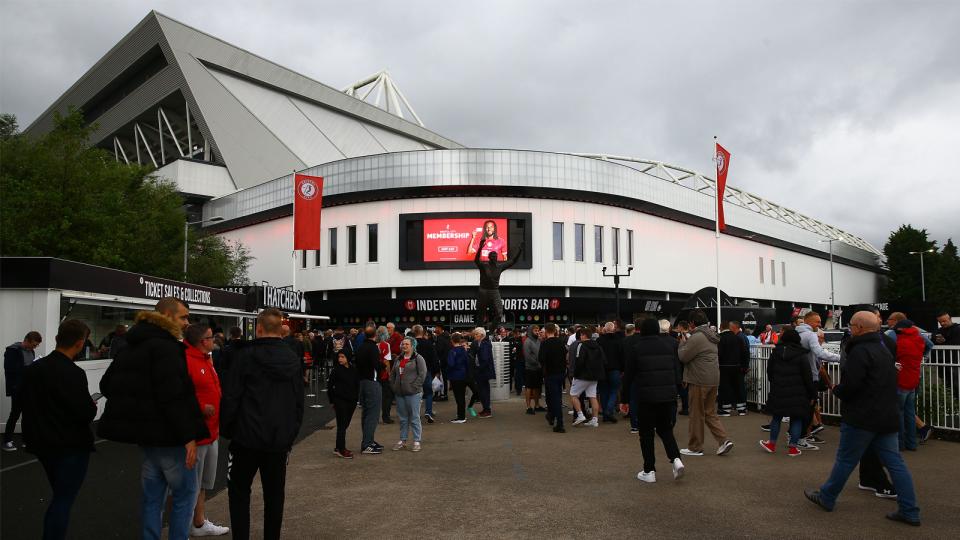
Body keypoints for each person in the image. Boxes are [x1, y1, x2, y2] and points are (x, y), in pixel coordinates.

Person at [98, 298, 208, 540]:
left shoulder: (131, 346)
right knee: (184, 494)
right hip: (170, 437)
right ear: (167, 315)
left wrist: (140, 404)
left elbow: (107, 384)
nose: (187, 322)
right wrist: (188, 436)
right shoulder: (167, 348)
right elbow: (173, 396)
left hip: (147, 438)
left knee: (152, 497)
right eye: (183, 317)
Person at [804, 311, 921, 526]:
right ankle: (910, 510)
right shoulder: (884, 348)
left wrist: (837, 390)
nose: (849, 328)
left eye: (851, 325)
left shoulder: (859, 351)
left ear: (858, 327)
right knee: (896, 463)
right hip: (887, 415)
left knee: (846, 459)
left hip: (862, 416)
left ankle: (827, 497)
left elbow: (852, 385)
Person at [220, 308, 304, 540]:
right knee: (274, 496)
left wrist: (228, 430)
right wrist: (289, 435)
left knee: (238, 493)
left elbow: (231, 397)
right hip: (277, 440)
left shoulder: (244, 356)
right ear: (280, 330)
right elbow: (298, 403)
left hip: (246, 438)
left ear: (258, 328)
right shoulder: (292, 358)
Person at [19, 320, 95, 540]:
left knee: (60, 493)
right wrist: (91, 405)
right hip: (69, 446)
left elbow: (25, 403)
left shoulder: (34, 369)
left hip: (40, 442)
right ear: (80, 343)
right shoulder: (74, 373)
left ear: (56, 338)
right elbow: (85, 412)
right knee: (63, 499)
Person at [620, 319, 684, 483]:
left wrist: (624, 399)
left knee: (646, 434)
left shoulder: (637, 348)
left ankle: (649, 470)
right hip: (667, 395)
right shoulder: (669, 346)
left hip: (646, 397)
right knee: (665, 429)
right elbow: (676, 370)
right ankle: (676, 459)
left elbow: (628, 376)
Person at [180, 323, 229, 537]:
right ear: (202, 341)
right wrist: (201, 408)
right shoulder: (185, 360)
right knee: (188, 486)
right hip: (196, 435)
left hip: (211, 432)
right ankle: (181, 529)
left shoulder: (206, 358)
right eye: (211, 337)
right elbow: (178, 394)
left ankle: (198, 523)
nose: (214, 340)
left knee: (203, 484)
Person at [678, 310, 733, 457]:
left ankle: (695, 447)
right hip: (713, 379)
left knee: (696, 414)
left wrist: (682, 343)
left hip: (699, 379)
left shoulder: (697, 337)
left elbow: (683, 356)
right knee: (709, 412)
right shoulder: (711, 335)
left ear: (692, 323)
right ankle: (723, 440)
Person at [758, 328, 815, 457]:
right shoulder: (801, 354)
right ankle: (793, 448)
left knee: (777, 417)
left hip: (779, 389)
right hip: (798, 391)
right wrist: (812, 393)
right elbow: (807, 376)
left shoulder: (775, 352)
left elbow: (770, 371)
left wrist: (775, 382)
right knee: (796, 418)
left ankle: (771, 444)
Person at [886, 318, 926, 451]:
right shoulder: (919, 340)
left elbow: (894, 358)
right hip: (913, 380)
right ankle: (912, 443)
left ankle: (900, 444)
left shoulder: (901, 342)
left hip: (901, 380)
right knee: (910, 412)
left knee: (899, 413)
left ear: (901, 329)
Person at [3, 330, 42, 451]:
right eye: (34, 345)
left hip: (28, 387)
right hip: (17, 388)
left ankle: (26, 440)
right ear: (26, 340)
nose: (34, 347)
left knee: (28, 414)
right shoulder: (12, 350)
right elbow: (10, 369)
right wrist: (29, 368)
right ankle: (7, 441)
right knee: (15, 414)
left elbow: (29, 368)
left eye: (36, 346)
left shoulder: (31, 351)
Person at [474, 237, 524, 327]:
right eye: (492, 256)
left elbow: (513, 261)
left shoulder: (500, 267)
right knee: (481, 314)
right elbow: (476, 260)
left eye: (495, 256)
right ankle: (479, 331)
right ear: (489, 257)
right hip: (483, 290)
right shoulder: (484, 266)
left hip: (494, 291)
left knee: (499, 313)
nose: (494, 257)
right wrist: (480, 247)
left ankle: (491, 331)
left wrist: (519, 251)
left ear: (497, 257)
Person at [390, 337, 428, 451]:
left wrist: (414, 387)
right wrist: (394, 386)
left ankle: (417, 441)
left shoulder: (418, 358)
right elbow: (393, 373)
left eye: (407, 344)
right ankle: (403, 440)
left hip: (413, 393)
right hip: (399, 393)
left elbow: (422, 374)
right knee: (403, 418)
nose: (404, 346)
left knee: (414, 417)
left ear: (412, 346)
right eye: (403, 344)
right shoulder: (398, 358)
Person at [355, 324, 384, 455]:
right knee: (373, 415)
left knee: (366, 413)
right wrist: (383, 365)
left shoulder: (360, 347)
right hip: (372, 383)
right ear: (375, 335)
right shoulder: (373, 348)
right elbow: (376, 365)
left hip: (362, 382)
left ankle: (369, 441)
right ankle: (367, 443)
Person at [570, 326, 605, 427]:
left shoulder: (581, 345)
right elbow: (604, 360)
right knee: (592, 397)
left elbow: (579, 361)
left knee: (573, 395)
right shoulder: (598, 345)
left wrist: (575, 374)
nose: (580, 336)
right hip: (594, 376)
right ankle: (595, 419)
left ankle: (580, 415)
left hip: (582, 375)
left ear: (584, 335)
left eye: (581, 335)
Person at [328, 350, 359, 458]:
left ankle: (338, 447)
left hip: (351, 401)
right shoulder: (336, 370)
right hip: (340, 400)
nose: (340, 359)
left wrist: (356, 398)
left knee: (345, 424)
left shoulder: (353, 369)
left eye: (343, 357)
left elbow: (356, 384)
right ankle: (341, 449)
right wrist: (332, 401)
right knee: (341, 425)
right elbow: (330, 386)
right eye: (339, 357)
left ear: (348, 357)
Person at [539, 323, 568, 433]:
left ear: (546, 331)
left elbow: (541, 358)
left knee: (552, 397)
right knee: (557, 396)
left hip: (550, 373)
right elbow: (565, 355)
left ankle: (559, 422)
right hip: (560, 372)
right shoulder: (560, 342)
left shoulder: (544, 343)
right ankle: (552, 415)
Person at [717, 321, 750, 417]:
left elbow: (718, 354)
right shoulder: (738, 338)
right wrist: (745, 366)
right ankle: (742, 409)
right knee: (739, 387)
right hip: (738, 367)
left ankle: (726, 409)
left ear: (721, 327)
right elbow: (745, 353)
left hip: (724, 367)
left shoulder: (719, 338)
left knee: (725, 387)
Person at [412, 325, 440, 424]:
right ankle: (428, 411)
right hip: (426, 371)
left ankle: (414, 413)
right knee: (428, 392)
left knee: (414, 393)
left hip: (413, 372)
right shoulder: (428, 343)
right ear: (422, 332)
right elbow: (434, 358)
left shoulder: (411, 344)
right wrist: (436, 371)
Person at [597, 321, 624, 423]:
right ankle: (609, 410)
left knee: (603, 392)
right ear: (613, 329)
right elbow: (622, 356)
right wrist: (622, 369)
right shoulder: (619, 340)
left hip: (602, 370)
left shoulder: (599, 340)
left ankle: (606, 414)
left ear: (604, 329)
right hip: (615, 369)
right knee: (614, 390)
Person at [469, 327, 496, 417]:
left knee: (484, 390)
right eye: (475, 334)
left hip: (483, 371)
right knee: (483, 390)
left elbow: (484, 359)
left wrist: (478, 368)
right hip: (483, 370)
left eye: (476, 334)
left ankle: (487, 410)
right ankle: (485, 409)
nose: (475, 336)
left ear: (481, 335)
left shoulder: (484, 343)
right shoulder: (481, 342)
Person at [446, 333, 471, 423]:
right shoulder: (463, 350)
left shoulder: (452, 351)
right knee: (462, 396)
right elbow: (467, 363)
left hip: (455, 376)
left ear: (452, 341)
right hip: (463, 375)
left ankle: (461, 417)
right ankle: (462, 415)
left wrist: (448, 371)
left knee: (458, 397)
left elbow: (451, 364)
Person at [377, 326, 396, 424]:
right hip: (384, 374)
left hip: (375, 374)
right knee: (387, 396)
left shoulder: (375, 344)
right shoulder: (386, 344)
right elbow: (386, 361)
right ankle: (386, 416)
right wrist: (389, 374)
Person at [523, 325, 543, 414]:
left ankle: (537, 405)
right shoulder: (527, 341)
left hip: (538, 368)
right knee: (529, 387)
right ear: (531, 331)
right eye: (535, 330)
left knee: (537, 387)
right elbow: (527, 356)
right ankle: (528, 407)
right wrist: (537, 363)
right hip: (530, 368)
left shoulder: (538, 340)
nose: (537, 332)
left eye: (538, 330)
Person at [434, 324, 453, 400]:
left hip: (441, 360)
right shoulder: (448, 337)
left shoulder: (440, 338)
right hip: (446, 360)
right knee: (444, 378)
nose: (435, 329)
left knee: (440, 377)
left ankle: (441, 394)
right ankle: (444, 394)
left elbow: (439, 350)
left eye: (436, 327)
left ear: (440, 328)